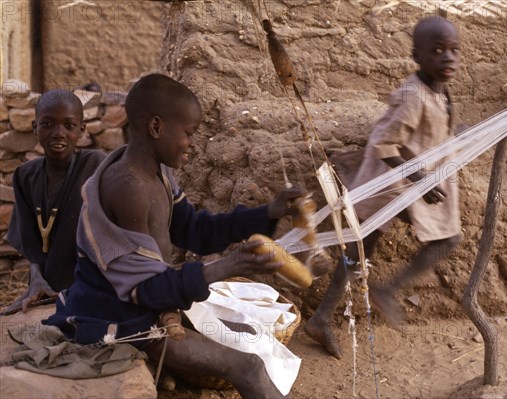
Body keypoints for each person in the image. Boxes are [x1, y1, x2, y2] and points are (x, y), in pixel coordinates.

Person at [43, 74, 302, 398]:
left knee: (249, 333)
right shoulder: (127, 187)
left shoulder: (157, 173)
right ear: (156, 127)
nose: (192, 144)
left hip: (153, 300)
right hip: (121, 317)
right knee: (247, 366)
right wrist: (230, 265)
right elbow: (145, 289)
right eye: (189, 133)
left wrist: (268, 213)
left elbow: (195, 230)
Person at [304, 16, 463, 359]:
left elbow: (431, 133)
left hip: (409, 184)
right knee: (366, 249)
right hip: (389, 182)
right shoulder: (412, 94)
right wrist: (420, 180)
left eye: (453, 50)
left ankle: (325, 316)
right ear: (416, 55)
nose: (448, 58)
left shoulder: (439, 89)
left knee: (363, 250)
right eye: (437, 51)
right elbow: (382, 143)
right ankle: (378, 294)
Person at [3, 89, 106, 314]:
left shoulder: (96, 166)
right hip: (46, 289)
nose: (58, 133)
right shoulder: (24, 176)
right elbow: (31, 245)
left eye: (69, 126)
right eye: (47, 124)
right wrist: (37, 281)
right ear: (34, 127)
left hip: (91, 288)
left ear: (82, 130)